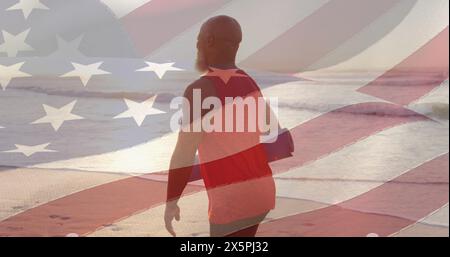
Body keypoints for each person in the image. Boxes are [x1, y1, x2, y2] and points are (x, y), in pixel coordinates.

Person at [164, 15, 278, 237]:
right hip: (262, 192)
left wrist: (172, 200)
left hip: (232, 200)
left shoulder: (200, 90)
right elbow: (271, 129)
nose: (196, 45)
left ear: (209, 41)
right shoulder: (249, 82)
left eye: (198, 39)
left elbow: (184, 154)